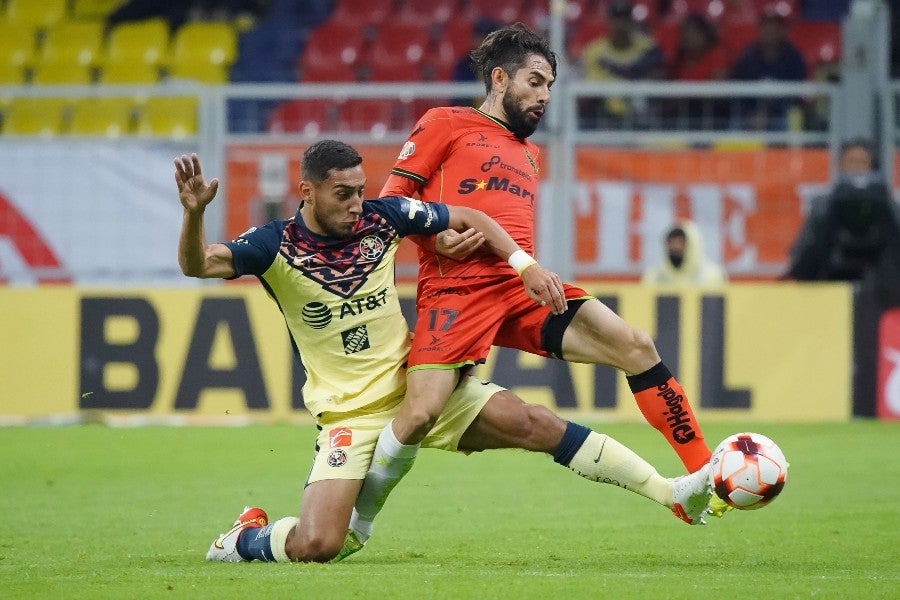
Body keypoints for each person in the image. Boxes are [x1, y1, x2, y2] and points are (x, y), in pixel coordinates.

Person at [176, 142, 714, 563]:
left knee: (535, 423)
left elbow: (472, 217)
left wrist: (523, 265)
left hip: (420, 385)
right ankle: (245, 538)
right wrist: (195, 214)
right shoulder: (273, 245)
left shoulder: (382, 218)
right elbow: (199, 265)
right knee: (319, 547)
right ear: (307, 191)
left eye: (360, 190)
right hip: (349, 416)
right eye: (343, 194)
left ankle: (673, 493)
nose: (356, 203)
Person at [348, 23, 721, 548]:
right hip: (457, 290)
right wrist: (433, 246)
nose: (544, 96)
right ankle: (357, 521)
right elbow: (390, 203)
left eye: (549, 86)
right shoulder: (445, 123)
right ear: (499, 79)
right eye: (535, 82)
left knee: (635, 344)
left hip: (523, 284)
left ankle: (706, 476)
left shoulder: (528, 152)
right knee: (420, 412)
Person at [784, 138, 900, 283]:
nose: (856, 168)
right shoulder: (822, 206)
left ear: (872, 167)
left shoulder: (889, 207)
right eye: (851, 161)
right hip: (830, 282)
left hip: (880, 284)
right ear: (841, 166)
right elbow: (800, 252)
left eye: (861, 162)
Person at [579, 0, 665, 126]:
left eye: (624, 19)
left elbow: (657, 78)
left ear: (631, 21)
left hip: (641, 115)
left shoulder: (648, 47)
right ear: (608, 21)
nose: (620, 24)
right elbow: (592, 85)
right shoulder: (594, 51)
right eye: (616, 19)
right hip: (605, 114)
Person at [729, 10, 806, 130]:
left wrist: (768, 113)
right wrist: (753, 113)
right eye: (765, 28)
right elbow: (738, 87)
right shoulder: (747, 56)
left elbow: (796, 92)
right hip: (750, 111)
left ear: (783, 31)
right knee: (735, 123)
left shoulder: (794, 57)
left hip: (780, 111)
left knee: (786, 121)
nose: (769, 33)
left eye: (774, 29)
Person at [642, 220, 728, 286]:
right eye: (671, 243)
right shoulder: (654, 277)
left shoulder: (712, 276)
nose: (675, 247)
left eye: (680, 242)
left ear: (692, 246)